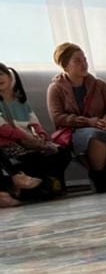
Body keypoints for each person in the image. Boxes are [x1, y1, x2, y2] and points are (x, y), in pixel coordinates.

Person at [46, 43, 106, 193]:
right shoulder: (55, 88)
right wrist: (88, 122)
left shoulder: (99, 85)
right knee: (95, 138)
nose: (84, 64)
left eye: (85, 59)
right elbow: (58, 117)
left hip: (103, 126)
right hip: (75, 131)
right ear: (65, 66)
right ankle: (100, 179)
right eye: (78, 61)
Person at [0, 62, 70, 197]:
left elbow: (34, 123)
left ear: (10, 76)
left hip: (30, 141)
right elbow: (3, 129)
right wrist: (27, 138)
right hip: (10, 145)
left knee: (62, 152)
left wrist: (41, 136)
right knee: (34, 158)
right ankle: (42, 187)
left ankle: (55, 184)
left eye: (1, 74)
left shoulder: (21, 101)